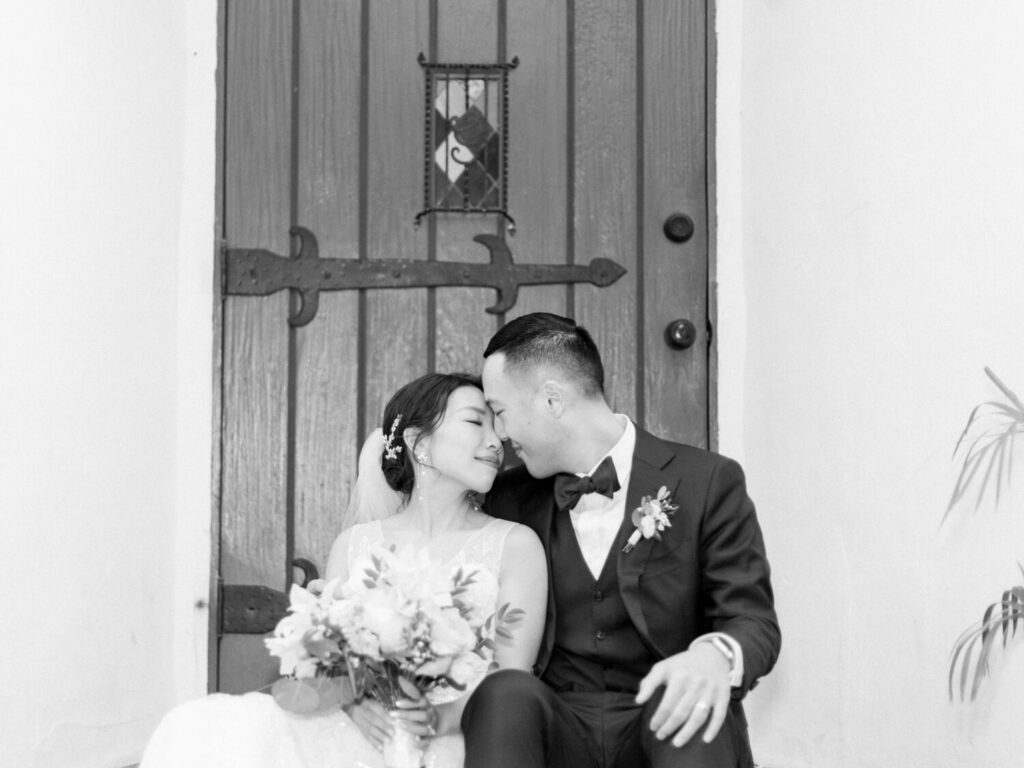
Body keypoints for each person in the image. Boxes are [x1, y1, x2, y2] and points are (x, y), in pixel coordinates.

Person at [140, 372, 548, 768]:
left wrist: (434, 718)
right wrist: (353, 702)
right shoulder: (355, 544)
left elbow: (511, 678)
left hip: (463, 733)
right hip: (363, 728)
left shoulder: (516, 545)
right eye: (476, 422)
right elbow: (325, 661)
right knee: (200, 726)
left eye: (496, 427)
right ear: (418, 442)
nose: (496, 442)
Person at [462, 313, 780, 768]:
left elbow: (752, 619)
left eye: (500, 411)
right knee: (504, 692)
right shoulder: (507, 499)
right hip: (556, 735)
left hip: (669, 728)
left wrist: (713, 657)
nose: (499, 433)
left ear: (551, 400)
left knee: (688, 702)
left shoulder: (707, 480)